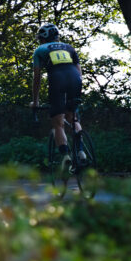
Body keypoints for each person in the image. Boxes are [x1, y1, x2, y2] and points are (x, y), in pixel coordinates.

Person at [30, 23, 86, 171]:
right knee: (73, 118)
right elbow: (79, 74)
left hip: (57, 80)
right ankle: (81, 151)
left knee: (58, 123)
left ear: (43, 39)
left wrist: (35, 101)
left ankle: (66, 155)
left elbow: (37, 78)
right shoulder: (70, 48)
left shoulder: (40, 50)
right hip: (75, 80)